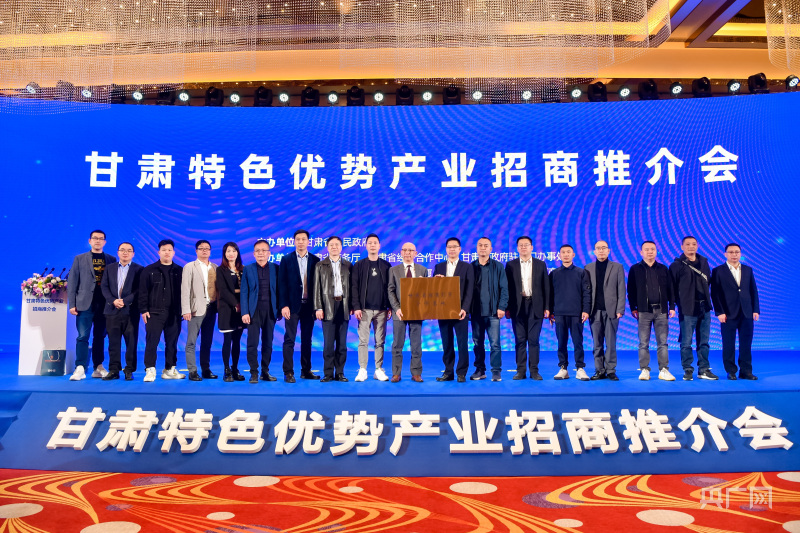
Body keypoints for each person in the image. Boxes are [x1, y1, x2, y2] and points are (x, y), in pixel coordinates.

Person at [67, 229, 116, 381]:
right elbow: (72, 282)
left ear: (105, 242)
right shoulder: (79, 259)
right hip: (84, 304)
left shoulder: (111, 259)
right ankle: (80, 367)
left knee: (100, 337)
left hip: (104, 304)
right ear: (90, 241)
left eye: (101, 238)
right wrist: (72, 304)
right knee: (83, 336)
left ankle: (98, 367)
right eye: (95, 238)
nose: (98, 241)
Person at [711, 243, 760, 380]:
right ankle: (731, 371)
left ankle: (746, 371)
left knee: (746, 344)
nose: (734, 254)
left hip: (747, 312)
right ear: (725, 254)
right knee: (728, 344)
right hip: (727, 313)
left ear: (740, 254)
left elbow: (753, 290)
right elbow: (715, 293)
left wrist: (755, 310)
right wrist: (719, 312)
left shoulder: (748, 270)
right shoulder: (718, 271)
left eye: (737, 252)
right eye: (731, 252)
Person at [628, 241, 676, 381]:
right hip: (643, 311)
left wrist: (672, 307)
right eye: (647, 249)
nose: (650, 252)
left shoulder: (663, 268)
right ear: (641, 252)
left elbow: (670, 289)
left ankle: (664, 370)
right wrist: (633, 308)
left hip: (661, 310)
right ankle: (644, 370)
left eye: (653, 249)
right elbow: (631, 290)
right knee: (643, 343)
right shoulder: (635, 269)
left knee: (663, 343)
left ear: (656, 251)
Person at [670, 236, 717, 381]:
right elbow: (672, 288)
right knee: (686, 342)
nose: (691, 246)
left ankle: (704, 369)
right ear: (682, 247)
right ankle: (688, 370)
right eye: (688, 244)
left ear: (697, 246)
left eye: (694, 244)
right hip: (687, 309)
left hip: (704, 308)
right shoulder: (676, 265)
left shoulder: (704, 262)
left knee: (704, 342)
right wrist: (673, 306)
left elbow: (708, 282)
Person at [139, 239, 184, 382]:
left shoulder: (180, 270)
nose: (167, 252)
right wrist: (144, 309)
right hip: (154, 312)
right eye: (164, 250)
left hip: (174, 313)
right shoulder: (149, 270)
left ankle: (169, 369)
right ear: (159, 252)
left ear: (173, 252)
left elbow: (185, 292)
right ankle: (150, 370)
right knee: (152, 342)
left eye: (169, 250)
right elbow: (143, 291)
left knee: (172, 343)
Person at [505, 236, 550, 381]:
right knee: (520, 340)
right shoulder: (510, 265)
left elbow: (546, 287)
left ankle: (534, 371)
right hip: (517, 306)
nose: (523, 247)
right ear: (517, 248)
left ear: (532, 247)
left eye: (526, 245)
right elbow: (507, 288)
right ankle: (520, 371)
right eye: (521, 245)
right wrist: (506, 307)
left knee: (534, 340)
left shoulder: (540, 264)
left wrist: (547, 307)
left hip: (536, 306)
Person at [278, 229, 320, 381]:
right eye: (298, 239)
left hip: (309, 307)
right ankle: (288, 372)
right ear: (294, 241)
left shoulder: (315, 260)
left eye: (303, 239)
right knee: (289, 339)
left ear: (308, 241)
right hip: (292, 306)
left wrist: (317, 307)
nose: (301, 242)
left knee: (307, 340)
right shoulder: (286, 259)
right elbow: (282, 284)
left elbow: (318, 286)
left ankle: (306, 370)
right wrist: (284, 305)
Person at [350, 233, 392, 382]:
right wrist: (356, 307)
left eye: (375, 243)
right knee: (363, 341)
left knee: (380, 341)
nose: (372, 245)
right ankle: (363, 369)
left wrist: (389, 307)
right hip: (364, 309)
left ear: (379, 246)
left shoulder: (386, 265)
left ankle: (378, 369)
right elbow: (354, 287)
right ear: (366, 246)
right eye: (370, 243)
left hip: (381, 310)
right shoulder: (359, 265)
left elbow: (390, 288)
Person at [434, 237, 474, 382]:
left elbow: (469, 290)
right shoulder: (439, 267)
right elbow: (433, 291)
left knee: (462, 343)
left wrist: (465, 309)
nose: (452, 249)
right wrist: (436, 281)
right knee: (447, 343)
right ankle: (448, 372)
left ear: (459, 249)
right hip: (443, 311)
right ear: (446, 249)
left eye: (454, 247)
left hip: (460, 311)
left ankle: (461, 372)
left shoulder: (467, 267)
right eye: (449, 247)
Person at [100, 242, 142, 381]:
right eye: (122, 250)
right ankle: (114, 370)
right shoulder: (109, 268)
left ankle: (129, 370)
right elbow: (104, 287)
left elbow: (139, 290)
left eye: (129, 250)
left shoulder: (139, 269)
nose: (125, 253)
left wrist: (125, 301)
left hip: (130, 311)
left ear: (133, 254)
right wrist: (113, 300)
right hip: (112, 310)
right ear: (118, 252)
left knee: (131, 342)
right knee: (113, 343)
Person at [585, 240, 626, 381]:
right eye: (598, 248)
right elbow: (586, 291)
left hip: (612, 311)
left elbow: (621, 289)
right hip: (594, 311)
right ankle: (599, 370)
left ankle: (611, 370)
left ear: (608, 250)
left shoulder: (617, 267)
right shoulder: (588, 268)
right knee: (597, 344)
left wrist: (620, 309)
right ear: (594, 251)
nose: (601, 250)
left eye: (604, 248)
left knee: (610, 343)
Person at [549, 244, 591, 381]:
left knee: (578, 342)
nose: (566, 254)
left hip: (576, 313)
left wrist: (586, 310)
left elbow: (586, 293)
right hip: (559, 313)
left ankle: (580, 368)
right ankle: (563, 368)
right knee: (561, 342)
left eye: (568, 252)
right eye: (563, 252)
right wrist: (550, 312)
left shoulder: (581, 272)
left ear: (573, 255)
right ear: (559, 255)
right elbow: (550, 294)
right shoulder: (554, 274)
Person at [241, 239, 281, 383]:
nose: (261, 253)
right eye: (257, 251)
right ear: (253, 254)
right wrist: (245, 312)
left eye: (264, 250)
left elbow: (280, 290)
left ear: (269, 253)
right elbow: (244, 292)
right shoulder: (248, 269)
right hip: (253, 311)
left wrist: (280, 309)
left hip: (270, 310)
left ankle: (265, 371)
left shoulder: (276, 268)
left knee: (268, 343)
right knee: (252, 343)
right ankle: (254, 372)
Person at [387, 242, 428, 382]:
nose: (407, 252)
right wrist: (397, 308)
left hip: (417, 312)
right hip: (399, 312)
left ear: (415, 253)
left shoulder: (423, 270)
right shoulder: (394, 270)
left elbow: (427, 292)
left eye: (410, 250)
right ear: (401, 253)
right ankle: (396, 373)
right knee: (397, 344)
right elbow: (390, 290)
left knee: (416, 344)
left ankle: (416, 373)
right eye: (405, 250)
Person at [470, 237, 509, 382]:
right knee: (477, 344)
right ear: (476, 248)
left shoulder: (498, 266)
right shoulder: (471, 267)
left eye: (486, 246)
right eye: (480, 245)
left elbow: (504, 288)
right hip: (476, 313)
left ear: (491, 249)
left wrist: (501, 307)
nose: (483, 248)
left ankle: (496, 371)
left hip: (493, 312)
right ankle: (480, 370)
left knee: (495, 344)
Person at [314, 236, 353, 382]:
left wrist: (352, 306)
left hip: (343, 305)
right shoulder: (320, 265)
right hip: (327, 306)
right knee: (328, 344)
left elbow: (353, 288)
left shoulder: (348, 265)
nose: (334, 247)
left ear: (341, 247)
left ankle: (340, 373)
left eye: (337, 244)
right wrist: (318, 307)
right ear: (327, 247)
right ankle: (328, 373)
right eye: (331, 245)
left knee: (342, 344)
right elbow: (316, 288)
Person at [181, 240, 219, 381]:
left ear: (210, 251)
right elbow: (185, 290)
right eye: (201, 248)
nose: (204, 250)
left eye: (207, 248)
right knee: (191, 341)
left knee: (207, 341)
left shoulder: (215, 267)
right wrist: (186, 309)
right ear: (196, 251)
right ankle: (192, 371)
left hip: (211, 308)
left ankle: (206, 369)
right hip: (195, 309)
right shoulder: (190, 267)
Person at [216, 242, 246, 382]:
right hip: (227, 309)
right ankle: (226, 370)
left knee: (237, 341)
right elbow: (223, 290)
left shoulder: (243, 269)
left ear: (237, 253)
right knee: (227, 340)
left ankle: (235, 369)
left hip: (241, 309)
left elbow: (246, 289)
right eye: (228, 251)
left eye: (234, 251)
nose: (231, 253)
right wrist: (235, 304)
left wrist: (242, 305)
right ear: (224, 253)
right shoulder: (221, 270)